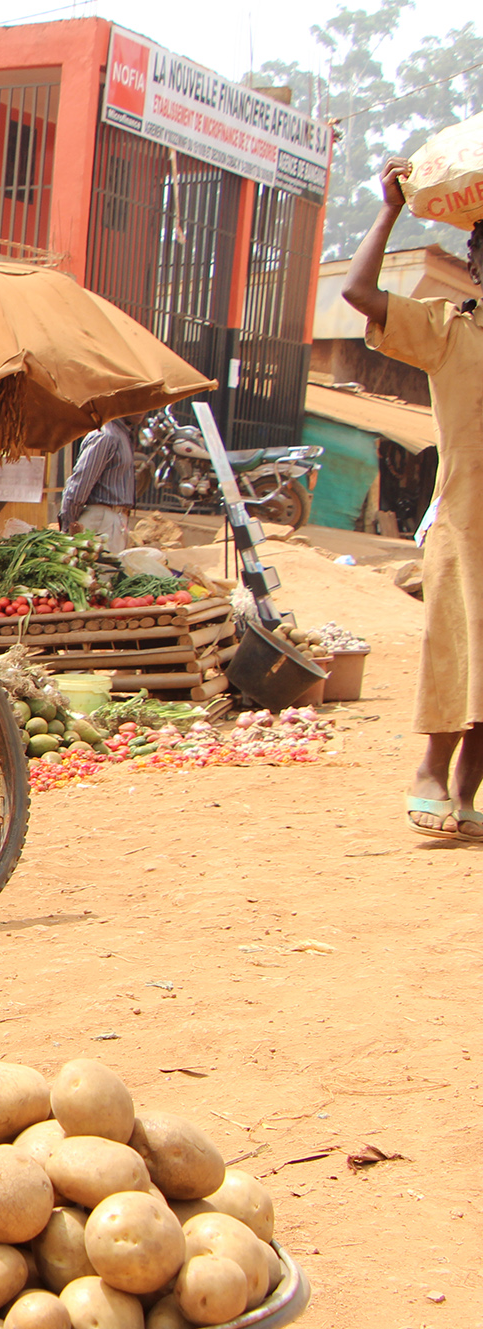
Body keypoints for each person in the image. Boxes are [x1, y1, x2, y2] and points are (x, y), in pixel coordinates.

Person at [342, 156, 483, 840]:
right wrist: (389, 209)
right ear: (475, 266)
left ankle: (466, 792)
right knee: (457, 652)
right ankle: (430, 774)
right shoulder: (448, 330)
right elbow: (360, 293)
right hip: (466, 526)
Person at [59, 413, 140, 552]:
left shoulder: (122, 434)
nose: (144, 410)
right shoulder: (106, 435)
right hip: (102, 519)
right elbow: (79, 485)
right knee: (102, 572)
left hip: (115, 519)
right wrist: (69, 525)